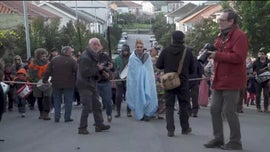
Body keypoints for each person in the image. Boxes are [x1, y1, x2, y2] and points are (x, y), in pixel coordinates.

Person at [203, 9, 248, 150]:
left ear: (231, 21)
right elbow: (219, 50)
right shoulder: (221, 35)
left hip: (232, 80)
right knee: (214, 109)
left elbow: (239, 57)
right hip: (218, 79)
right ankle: (218, 138)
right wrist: (210, 50)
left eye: (222, 20)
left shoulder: (239, 36)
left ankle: (235, 142)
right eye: (219, 20)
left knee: (229, 111)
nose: (219, 23)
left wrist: (218, 55)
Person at [156, 31, 194, 137]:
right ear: (183, 39)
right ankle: (185, 128)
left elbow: (159, 65)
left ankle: (170, 129)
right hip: (183, 82)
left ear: (172, 39)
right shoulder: (188, 52)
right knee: (183, 105)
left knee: (169, 105)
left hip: (169, 81)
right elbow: (192, 69)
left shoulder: (166, 50)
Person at [76, 38, 110, 134]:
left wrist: (102, 71)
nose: (96, 46)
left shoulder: (93, 55)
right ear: (89, 45)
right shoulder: (85, 57)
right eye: (94, 44)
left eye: (98, 44)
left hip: (91, 83)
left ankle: (99, 125)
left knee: (97, 105)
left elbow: (93, 70)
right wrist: (98, 68)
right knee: (87, 107)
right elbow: (85, 72)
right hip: (85, 84)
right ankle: (82, 128)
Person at [126, 39, 158, 121]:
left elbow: (149, 70)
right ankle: (140, 113)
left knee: (148, 94)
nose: (139, 48)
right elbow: (131, 71)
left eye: (141, 47)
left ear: (143, 47)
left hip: (147, 81)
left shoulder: (147, 57)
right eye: (138, 47)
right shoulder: (132, 58)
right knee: (138, 96)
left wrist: (147, 79)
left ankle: (147, 113)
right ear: (135, 47)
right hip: (136, 82)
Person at [43, 46, 77, 123]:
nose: (72, 53)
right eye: (71, 51)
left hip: (56, 84)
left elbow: (47, 71)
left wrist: (44, 80)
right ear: (67, 52)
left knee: (57, 100)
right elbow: (77, 71)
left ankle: (57, 117)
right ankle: (67, 117)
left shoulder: (54, 60)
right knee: (68, 101)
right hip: (69, 84)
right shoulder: (72, 61)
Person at [28, 48, 52, 120]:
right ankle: (41, 112)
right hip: (37, 83)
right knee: (39, 98)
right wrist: (32, 79)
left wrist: (49, 79)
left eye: (45, 56)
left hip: (47, 83)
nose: (44, 57)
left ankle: (46, 113)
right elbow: (30, 75)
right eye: (42, 56)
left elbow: (52, 72)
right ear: (38, 56)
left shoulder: (49, 64)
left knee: (47, 98)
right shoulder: (32, 65)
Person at [113, 44, 132, 118]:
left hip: (128, 80)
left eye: (127, 51)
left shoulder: (131, 58)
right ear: (122, 50)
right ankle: (118, 112)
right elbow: (114, 69)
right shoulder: (117, 59)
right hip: (120, 80)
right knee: (118, 96)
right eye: (124, 51)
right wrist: (116, 72)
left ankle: (129, 111)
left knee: (129, 96)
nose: (125, 52)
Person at [97, 49, 114, 122]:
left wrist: (109, 70)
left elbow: (112, 68)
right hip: (95, 82)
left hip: (105, 82)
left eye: (98, 46)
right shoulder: (90, 57)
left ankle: (109, 114)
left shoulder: (106, 56)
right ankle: (98, 120)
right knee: (97, 102)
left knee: (108, 100)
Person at [252, 48, 270, 112]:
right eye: (260, 54)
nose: (261, 55)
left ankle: (266, 108)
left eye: (263, 54)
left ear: (265, 55)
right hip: (258, 80)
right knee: (258, 94)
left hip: (266, 80)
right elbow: (252, 69)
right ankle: (258, 107)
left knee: (266, 94)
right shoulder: (256, 62)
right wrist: (253, 72)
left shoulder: (268, 62)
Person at [189, 48, 204, 117]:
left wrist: (201, 75)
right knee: (189, 96)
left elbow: (200, 69)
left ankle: (192, 111)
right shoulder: (183, 60)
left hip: (191, 80)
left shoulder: (195, 59)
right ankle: (191, 110)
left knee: (191, 96)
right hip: (190, 80)